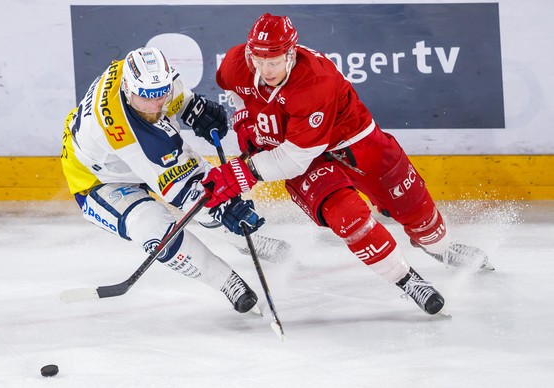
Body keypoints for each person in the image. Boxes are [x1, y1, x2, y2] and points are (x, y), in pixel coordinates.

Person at [202, 13, 492, 315]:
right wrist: (244, 119)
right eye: (259, 60)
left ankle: (440, 248)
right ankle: (406, 280)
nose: (265, 69)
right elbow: (235, 91)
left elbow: (292, 159)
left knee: (422, 220)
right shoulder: (239, 63)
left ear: (291, 53)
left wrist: (241, 173)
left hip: (354, 143)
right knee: (348, 215)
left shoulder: (315, 81)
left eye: (274, 61)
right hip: (307, 158)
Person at [60, 46, 266, 314]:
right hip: (99, 179)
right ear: (127, 88)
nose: (157, 105)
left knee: (210, 197)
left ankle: (256, 244)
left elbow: (177, 99)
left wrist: (195, 107)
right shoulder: (117, 128)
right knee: (153, 228)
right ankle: (227, 282)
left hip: (136, 157)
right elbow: (177, 187)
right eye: (146, 98)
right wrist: (221, 204)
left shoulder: (153, 79)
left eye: (161, 95)